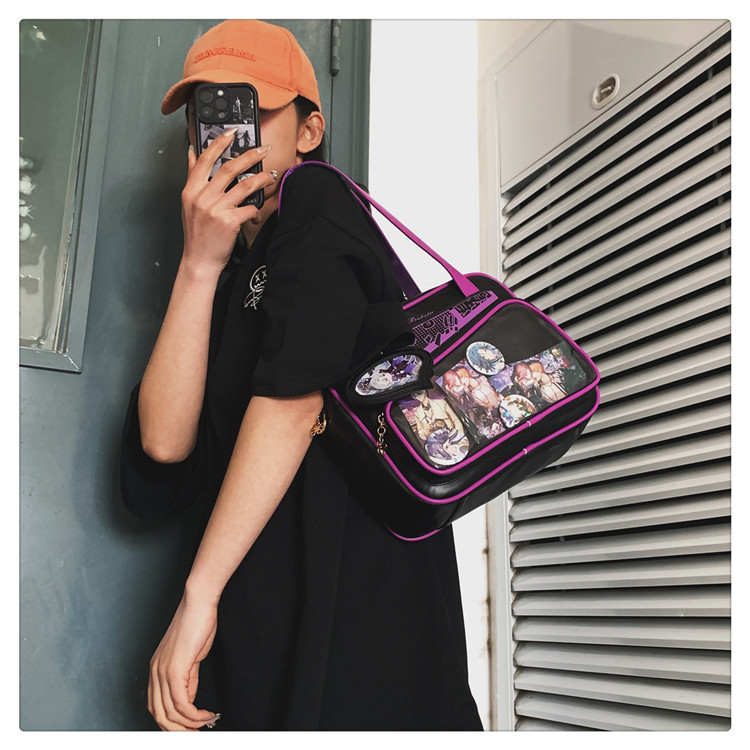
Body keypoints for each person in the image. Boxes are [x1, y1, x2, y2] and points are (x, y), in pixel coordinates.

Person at [120, 19, 482, 732]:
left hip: (353, 603)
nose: (224, 136)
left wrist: (197, 596)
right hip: (266, 604)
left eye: (248, 110)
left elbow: (292, 401)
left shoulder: (318, 205)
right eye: (207, 114)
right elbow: (163, 445)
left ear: (309, 131)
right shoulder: (229, 273)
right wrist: (199, 264)